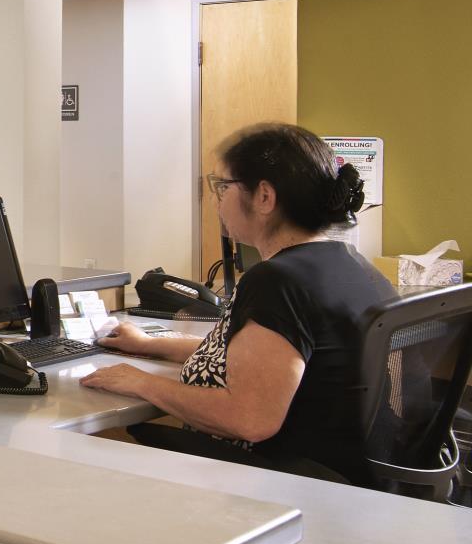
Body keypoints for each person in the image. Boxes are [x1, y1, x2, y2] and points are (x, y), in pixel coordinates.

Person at [80, 123, 393, 484]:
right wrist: (151, 345)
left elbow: (249, 419)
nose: (217, 200)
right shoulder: (349, 264)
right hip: (353, 479)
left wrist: (141, 383)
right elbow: (270, 361)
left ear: (264, 197)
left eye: (222, 186)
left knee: (97, 446)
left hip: (291, 483)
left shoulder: (277, 280)